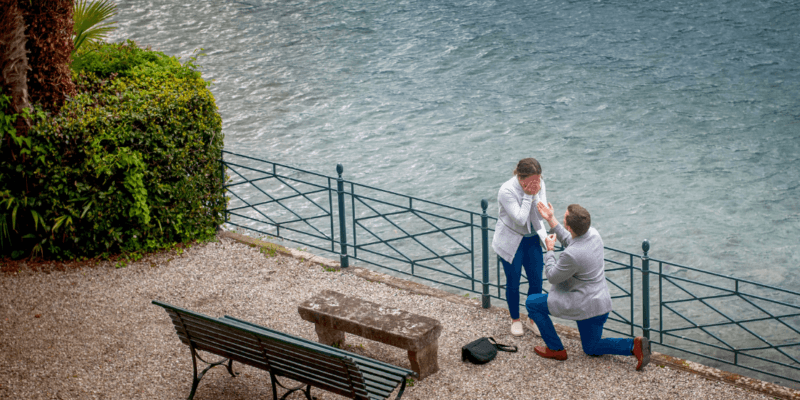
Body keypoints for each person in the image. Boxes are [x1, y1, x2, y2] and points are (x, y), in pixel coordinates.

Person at [526, 201, 651, 370]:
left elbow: (552, 276)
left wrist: (549, 251)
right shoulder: (593, 234)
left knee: (532, 303)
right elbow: (571, 239)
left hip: (585, 305)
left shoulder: (572, 255)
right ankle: (632, 346)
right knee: (591, 347)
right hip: (600, 304)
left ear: (569, 226)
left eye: (564, 218)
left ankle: (555, 349)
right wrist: (550, 218)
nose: (562, 218)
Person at [492, 158, 549, 337]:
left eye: (538, 179)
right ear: (520, 178)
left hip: (533, 240)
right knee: (513, 282)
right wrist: (528, 195)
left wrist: (536, 194)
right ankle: (515, 319)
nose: (536, 183)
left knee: (536, 282)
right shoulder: (506, 190)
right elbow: (520, 219)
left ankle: (533, 319)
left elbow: (540, 216)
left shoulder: (539, 185)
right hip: (511, 241)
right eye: (532, 181)